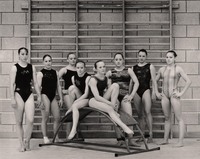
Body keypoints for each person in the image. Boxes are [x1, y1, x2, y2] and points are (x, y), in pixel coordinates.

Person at [155, 50, 191, 147]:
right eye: (167, 57)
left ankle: (180, 141)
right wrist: (156, 92)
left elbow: (188, 81)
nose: (168, 59)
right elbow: (154, 81)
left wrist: (181, 93)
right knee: (167, 118)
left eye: (170, 57)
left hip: (174, 95)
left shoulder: (178, 68)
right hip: (165, 95)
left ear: (174, 58)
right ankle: (165, 139)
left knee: (179, 118)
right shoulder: (162, 69)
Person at [88, 60, 134, 136]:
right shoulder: (93, 79)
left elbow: (110, 91)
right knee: (109, 109)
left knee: (115, 85)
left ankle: (114, 109)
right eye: (100, 67)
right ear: (96, 69)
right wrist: (111, 104)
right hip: (93, 100)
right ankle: (124, 127)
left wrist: (115, 102)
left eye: (104, 66)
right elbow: (97, 97)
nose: (103, 68)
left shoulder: (106, 78)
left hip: (102, 98)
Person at [10, 47, 41, 152]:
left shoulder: (31, 67)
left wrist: (39, 96)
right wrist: (12, 98)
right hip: (18, 93)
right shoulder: (14, 68)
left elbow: (35, 83)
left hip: (29, 94)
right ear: (19, 55)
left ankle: (27, 141)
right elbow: (12, 84)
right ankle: (21, 144)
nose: (24, 56)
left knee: (30, 120)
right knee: (19, 121)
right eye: (22, 54)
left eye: (26, 54)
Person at [106, 53, 140, 146]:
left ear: (123, 60)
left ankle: (130, 140)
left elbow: (136, 83)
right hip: (115, 97)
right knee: (115, 116)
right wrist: (111, 100)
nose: (118, 61)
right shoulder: (110, 72)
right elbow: (108, 87)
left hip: (125, 95)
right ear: (113, 61)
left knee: (129, 116)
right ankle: (120, 139)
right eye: (116, 59)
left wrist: (131, 95)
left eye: (120, 59)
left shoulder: (128, 70)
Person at [131, 49, 157, 143]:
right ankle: (142, 135)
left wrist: (154, 92)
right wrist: (130, 94)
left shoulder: (150, 66)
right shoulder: (133, 68)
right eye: (140, 56)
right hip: (136, 91)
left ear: (146, 57)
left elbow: (154, 81)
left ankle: (150, 135)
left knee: (147, 112)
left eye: (143, 56)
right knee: (140, 114)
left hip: (146, 89)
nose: (141, 58)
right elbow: (132, 82)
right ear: (137, 56)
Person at [37, 54, 63, 144]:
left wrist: (61, 98)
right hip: (44, 95)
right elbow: (38, 87)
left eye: (50, 61)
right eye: (46, 61)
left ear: (52, 61)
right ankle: (45, 136)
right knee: (45, 116)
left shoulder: (55, 72)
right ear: (43, 62)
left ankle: (56, 137)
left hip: (53, 96)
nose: (48, 63)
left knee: (57, 117)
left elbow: (58, 86)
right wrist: (39, 99)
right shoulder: (40, 73)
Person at [65, 60, 91, 140]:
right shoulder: (73, 77)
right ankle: (72, 108)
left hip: (87, 98)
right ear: (75, 68)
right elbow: (73, 92)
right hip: (79, 97)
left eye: (81, 68)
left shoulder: (88, 77)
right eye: (78, 68)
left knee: (72, 89)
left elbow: (86, 94)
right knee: (71, 88)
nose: (80, 70)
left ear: (85, 68)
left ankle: (71, 108)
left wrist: (75, 103)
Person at [58, 53, 77, 136]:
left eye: (74, 58)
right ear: (67, 60)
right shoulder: (64, 70)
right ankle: (68, 134)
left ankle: (75, 134)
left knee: (77, 113)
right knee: (71, 112)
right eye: (71, 58)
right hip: (67, 94)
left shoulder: (78, 69)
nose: (73, 60)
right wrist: (62, 90)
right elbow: (55, 80)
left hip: (76, 94)